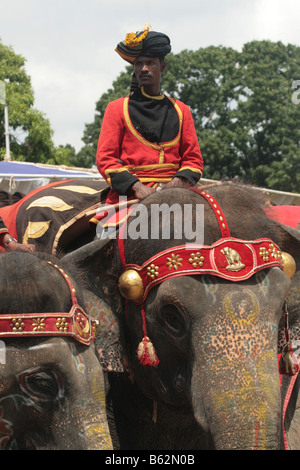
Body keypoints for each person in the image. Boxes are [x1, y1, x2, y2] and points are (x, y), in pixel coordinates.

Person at [91, 26, 203, 231]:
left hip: (177, 195)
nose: (143, 68)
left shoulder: (182, 110)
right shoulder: (117, 108)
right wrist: (138, 188)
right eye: (139, 64)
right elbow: (105, 160)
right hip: (130, 197)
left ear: (163, 66)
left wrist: (173, 186)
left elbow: (193, 161)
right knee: (106, 243)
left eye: (150, 63)